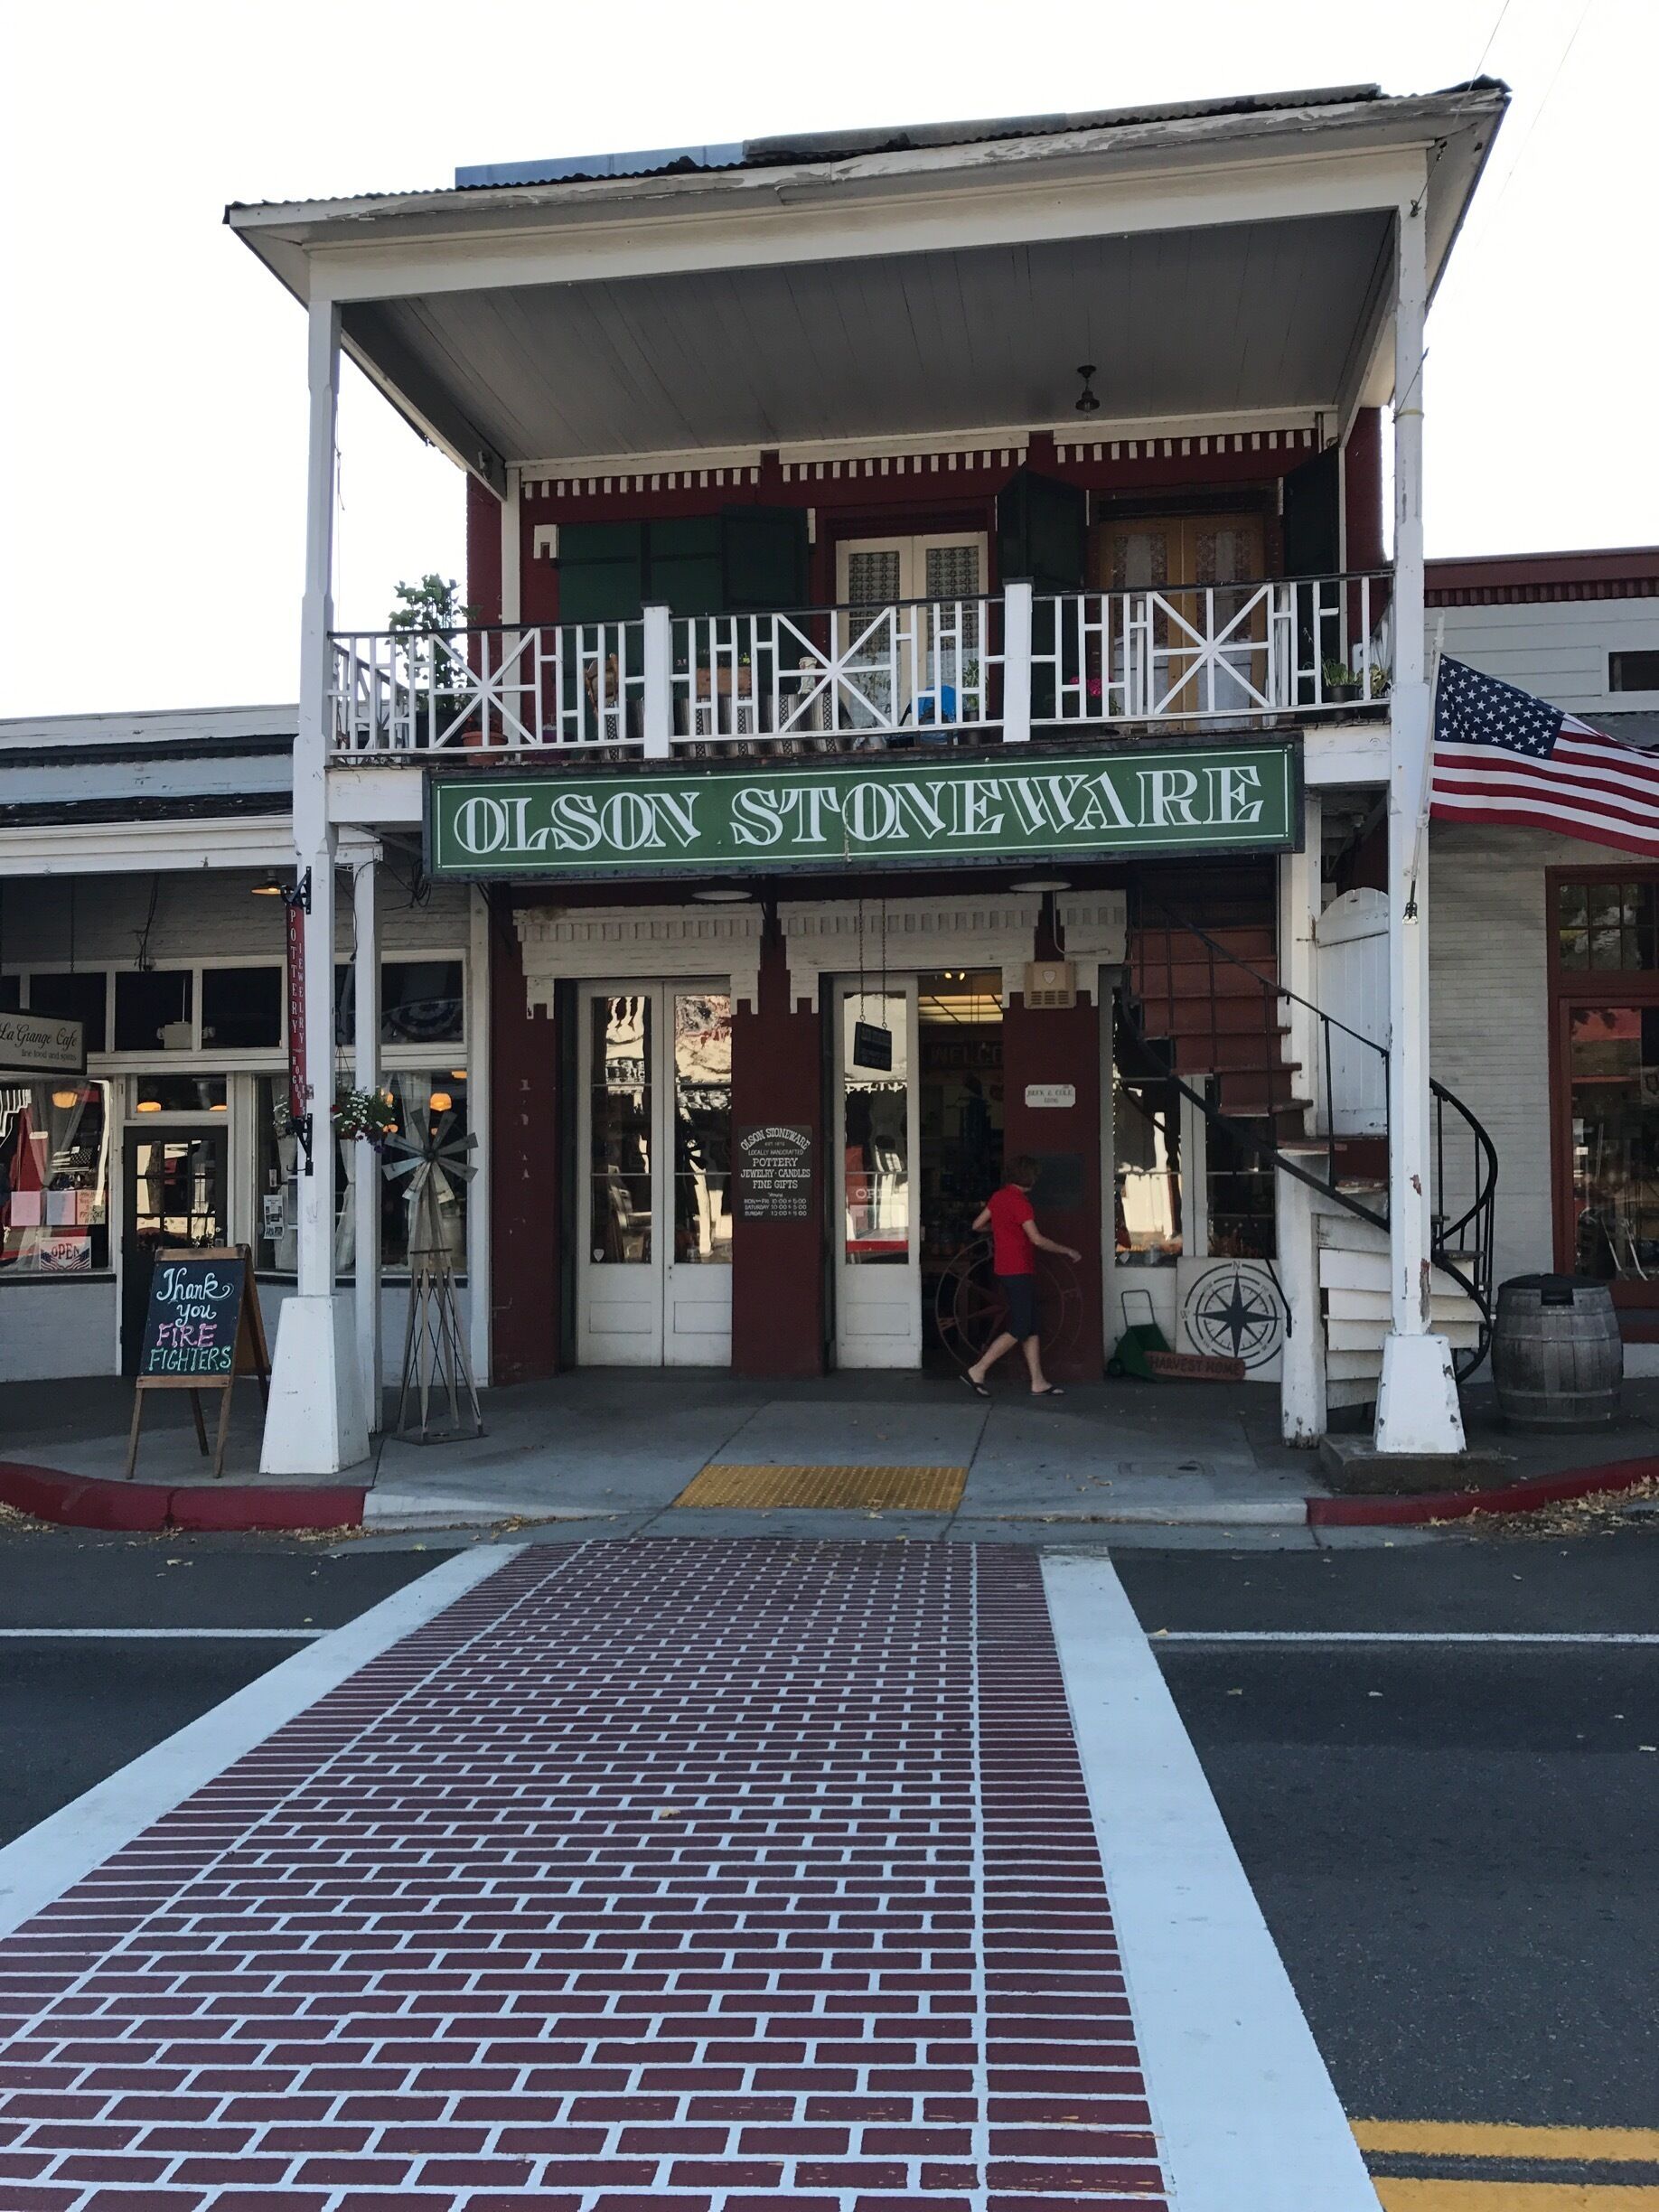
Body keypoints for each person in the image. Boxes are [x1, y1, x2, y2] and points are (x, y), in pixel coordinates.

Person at [963, 1155, 1080, 1399]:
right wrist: (1067, 1250)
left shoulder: (998, 1197)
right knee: (1019, 1327)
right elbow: (1036, 1239)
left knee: (1031, 1325)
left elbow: (977, 1225)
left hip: (1004, 1269)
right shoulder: (1021, 1203)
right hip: (1019, 1270)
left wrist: (999, 1230)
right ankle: (978, 1370)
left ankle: (1038, 1381)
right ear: (1030, 1178)